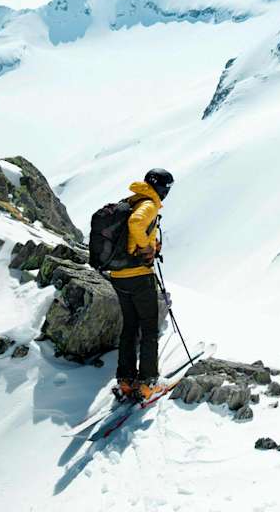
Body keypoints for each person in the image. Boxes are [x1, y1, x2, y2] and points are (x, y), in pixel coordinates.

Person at [110, 168, 173, 401]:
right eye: (167, 187)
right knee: (148, 327)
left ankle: (126, 381)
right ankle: (148, 384)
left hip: (118, 275)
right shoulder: (148, 204)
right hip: (138, 274)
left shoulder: (132, 200)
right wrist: (146, 247)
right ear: (160, 187)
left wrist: (150, 243)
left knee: (129, 326)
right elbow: (137, 223)